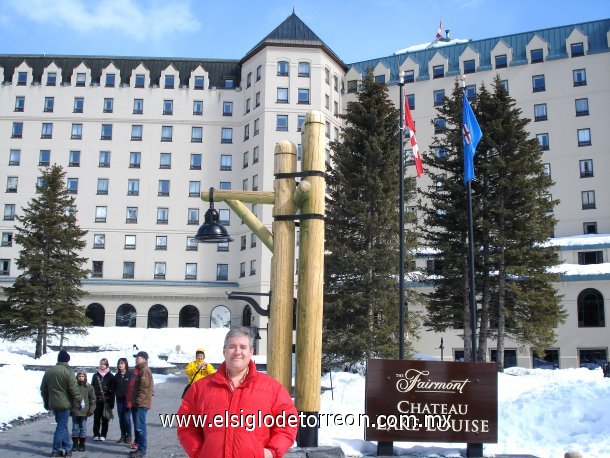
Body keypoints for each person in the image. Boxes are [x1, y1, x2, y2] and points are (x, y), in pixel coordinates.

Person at [177, 327, 298, 458]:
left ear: (251, 351)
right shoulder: (200, 388)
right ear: (224, 351)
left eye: (243, 347)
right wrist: (200, 453)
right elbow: (186, 424)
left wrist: (272, 451)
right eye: (232, 346)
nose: (237, 352)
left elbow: (288, 422)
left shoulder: (272, 388)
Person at [40, 349, 84, 457]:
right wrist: (80, 400)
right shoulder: (68, 372)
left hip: (53, 403)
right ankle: (55, 450)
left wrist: (46, 402)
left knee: (62, 426)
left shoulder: (49, 371)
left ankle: (68, 449)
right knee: (61, 427)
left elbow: (43, 389)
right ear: (67, 360)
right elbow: (74, 389)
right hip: (65, 404)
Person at [129, 351, 154, 457]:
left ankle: (142, 450)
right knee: (138, 427)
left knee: (140, 427)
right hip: (138, 403)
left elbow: (144, 388)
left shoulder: (144, 370)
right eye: (136, 357)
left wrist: (138, 401)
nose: (136, 359)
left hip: (141, 404)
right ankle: (139, 448)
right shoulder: (141, 370)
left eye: (138, 358)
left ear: (144, 359)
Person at [71, 369, 95, 452]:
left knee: (83, 427)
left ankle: (82, 444)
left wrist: (91, 410)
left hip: (84, 411)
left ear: (85, 377)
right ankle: (75, 444)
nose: (81, 378)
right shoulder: (73, 386)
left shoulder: (89, 387)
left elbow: (92, 400)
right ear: (77, 377)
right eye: (79, 376)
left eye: (82, 376)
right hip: (75, 410)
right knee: (75, 427)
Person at [91, 357, 115, 441]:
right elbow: (92, 388)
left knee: (105, 418)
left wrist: (112, 402)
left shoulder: (111, 376)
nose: (101, 365)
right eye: (100, 364)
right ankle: (96, 434)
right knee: (96, 418)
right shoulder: (95, 375)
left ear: (107, 365)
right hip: (97, 400)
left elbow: (113, 391)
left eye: (103, 364)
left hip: (106, 400)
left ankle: (103, 434)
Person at [114, 357, 134, 444]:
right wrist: (116, 393)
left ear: (125, 364)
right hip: (119, 400)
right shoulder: (117, 375)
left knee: (126, 418)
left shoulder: (130, 375)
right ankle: (123, 435)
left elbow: (133, 387)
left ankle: (129, 435)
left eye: (122, 363)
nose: (120, 365)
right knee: (121, 418)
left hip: (128, 400)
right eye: (119, 363)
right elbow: (114, 387)